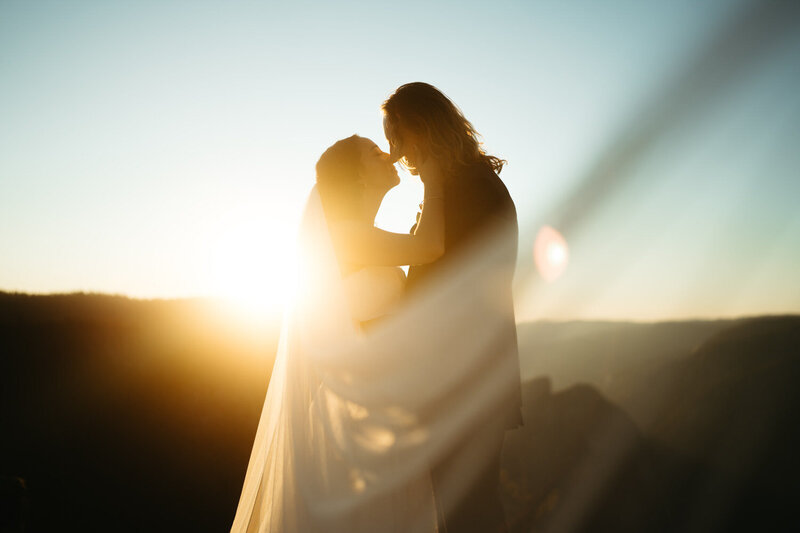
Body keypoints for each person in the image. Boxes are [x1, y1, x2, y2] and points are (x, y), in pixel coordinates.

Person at [382, 82, 522, 533]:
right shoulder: (456, 186)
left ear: (423, 129)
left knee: (470, 516)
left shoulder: (473, 192)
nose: (396, 154)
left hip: (464, 385)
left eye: (398, 138)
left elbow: (452, 294)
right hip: (458, 382)